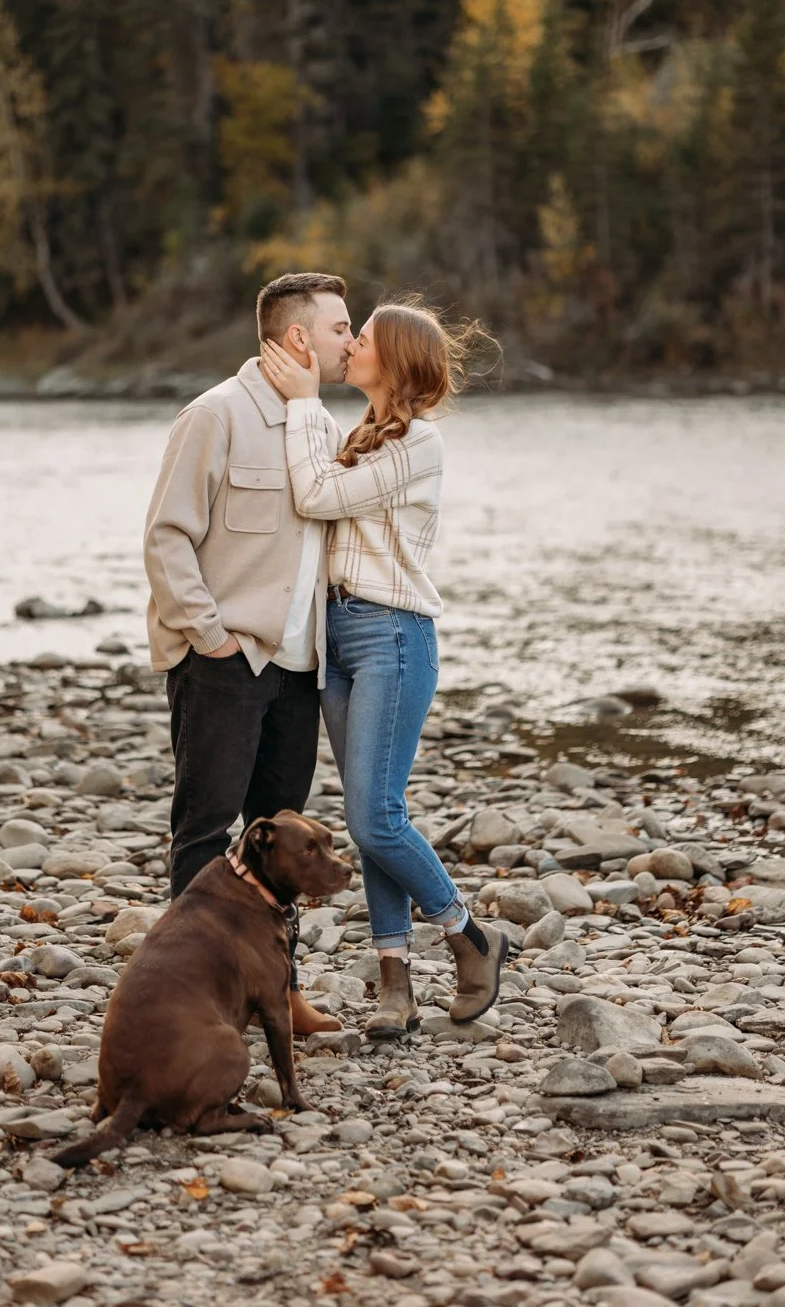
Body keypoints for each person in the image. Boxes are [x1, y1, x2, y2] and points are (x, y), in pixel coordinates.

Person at [260, 301, 508, 1040]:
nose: (350, 344)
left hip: (392, 635)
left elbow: (318, 495)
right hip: (338, 637)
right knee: (372, 822)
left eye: (361, 338)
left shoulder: (420, 444)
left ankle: (471, 937)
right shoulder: (363, 434)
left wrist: (302, 405)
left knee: (375, 816)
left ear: (393, 360)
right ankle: (394, 983)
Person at [143, 271, 354, 1036]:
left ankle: (280, 993)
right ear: (297, 337)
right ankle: (189, 997)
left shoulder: (321, 425)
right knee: (206, 829)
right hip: (226, 661)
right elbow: (167, 536)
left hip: (302, 670)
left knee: (284, 843)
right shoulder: (214, 416)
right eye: (340, 328)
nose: (351, 341)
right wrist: (212, 636)